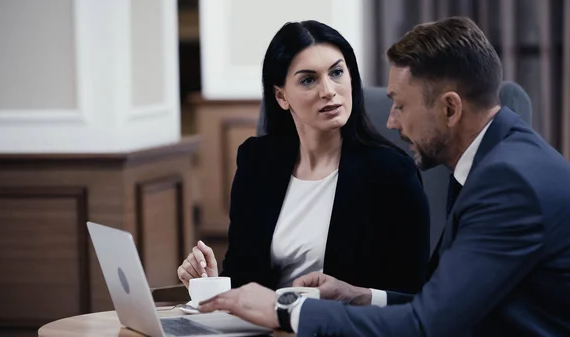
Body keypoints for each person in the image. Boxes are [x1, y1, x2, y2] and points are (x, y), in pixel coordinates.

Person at [196, 16, 570, 336]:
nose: (391, 121)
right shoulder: (497, 161)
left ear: (450, 109)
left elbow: (426, 325)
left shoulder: (508, 182)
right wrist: (359, 295)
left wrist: (288, 309)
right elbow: (436, 304)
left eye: (400, 105)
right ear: (281, 96)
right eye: (309, 80)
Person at [177, 20, 431, 297]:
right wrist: (213, 283)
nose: (328, 91)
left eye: (336, 72)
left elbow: (411, 296)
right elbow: (243, 276)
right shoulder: (258, 162)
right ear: (281, 96)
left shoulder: (392, 172)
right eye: (308, 79)